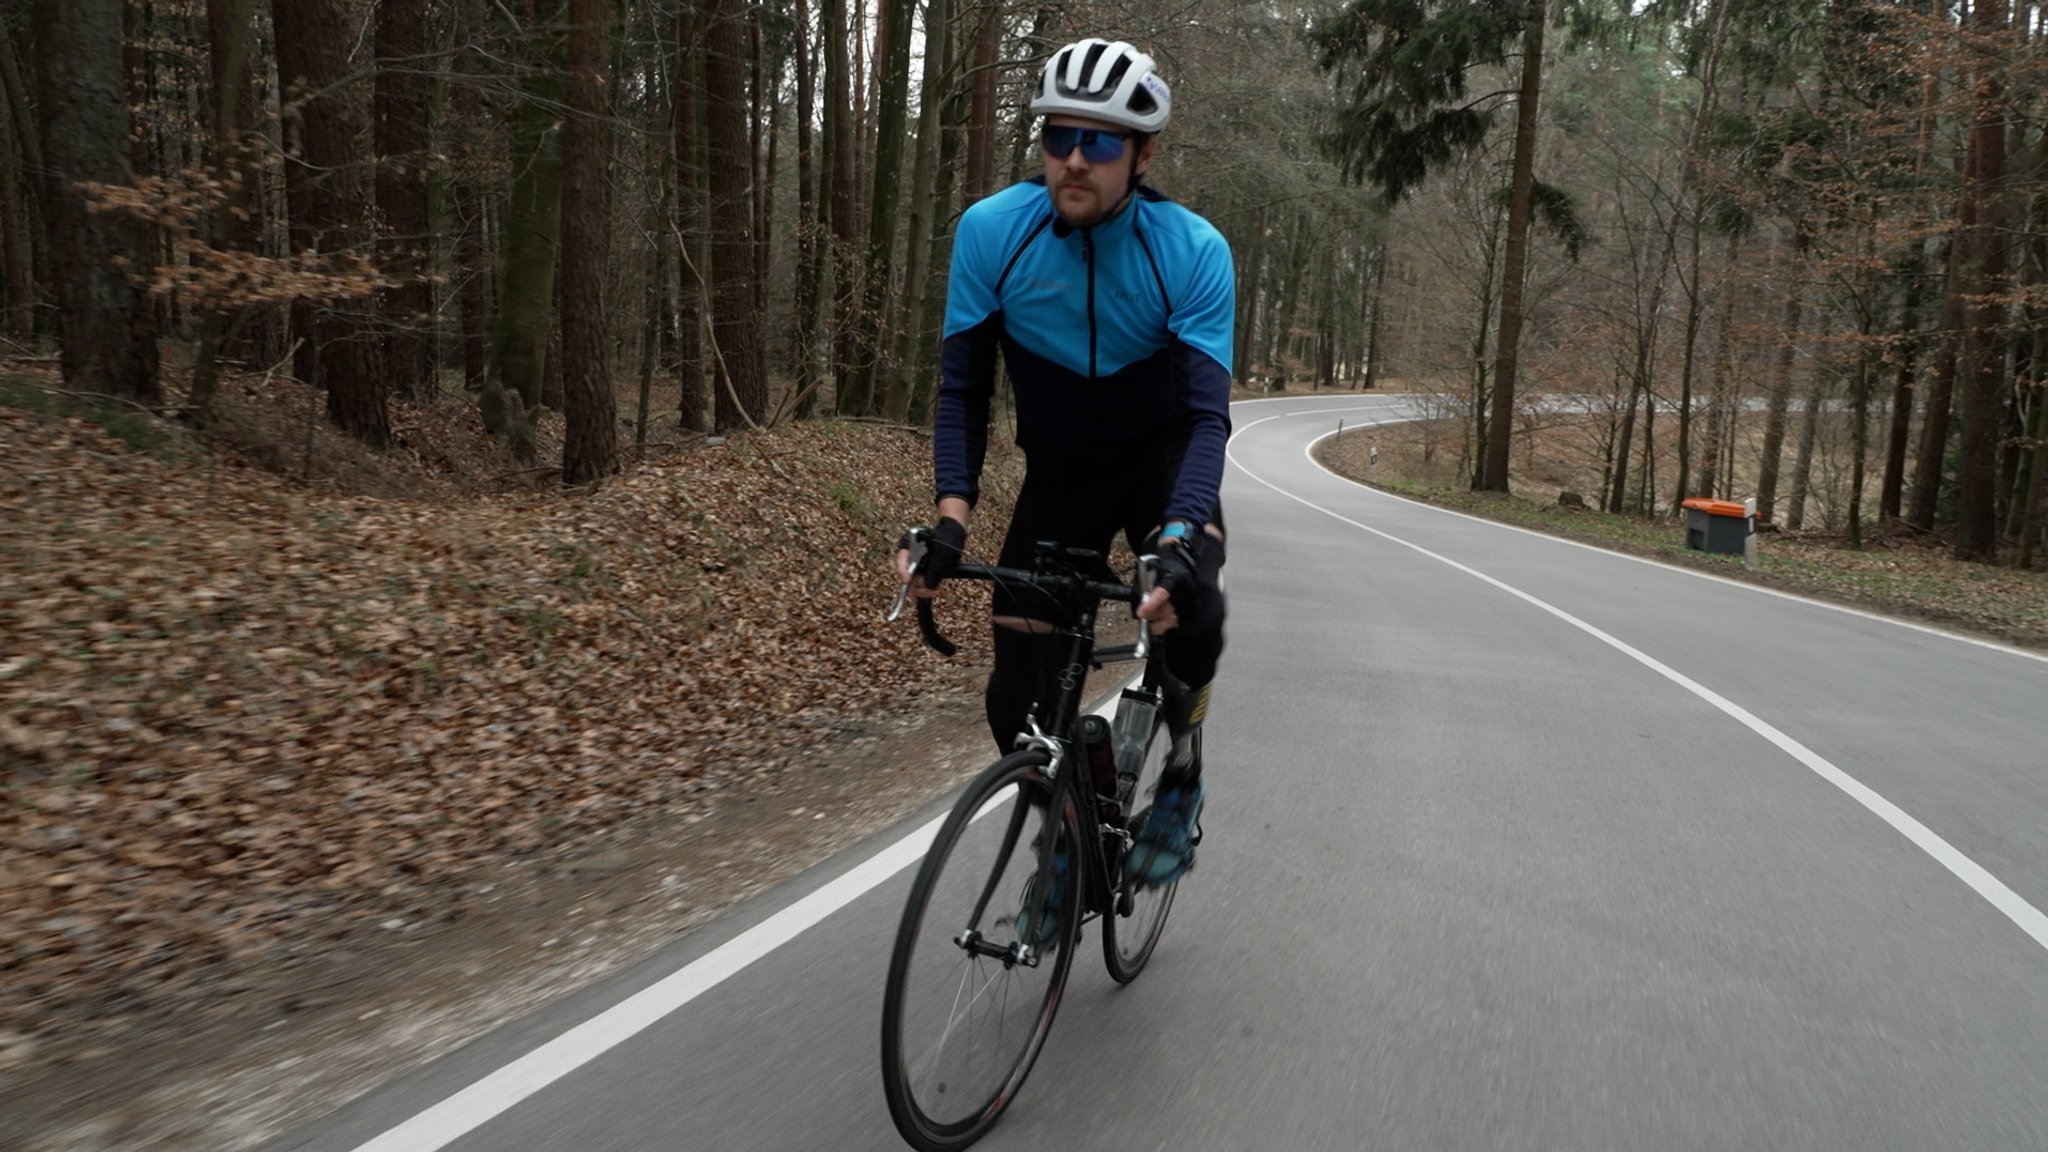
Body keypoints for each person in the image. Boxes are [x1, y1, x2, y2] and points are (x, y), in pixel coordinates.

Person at [894, 37, 1234, 889]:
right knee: (1014, 703)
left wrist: (1184, 534)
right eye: (1059, 137)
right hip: (1059, 477)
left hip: (1160, 469)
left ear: (1143, 153)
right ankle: (1077, 835)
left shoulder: (1190, 250)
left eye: (1103, 141)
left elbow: (1204, 414)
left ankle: (1183, 772)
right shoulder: (992, 232)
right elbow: (962, 390)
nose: (1075, 160)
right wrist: (948, 521)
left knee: (1192, 617)